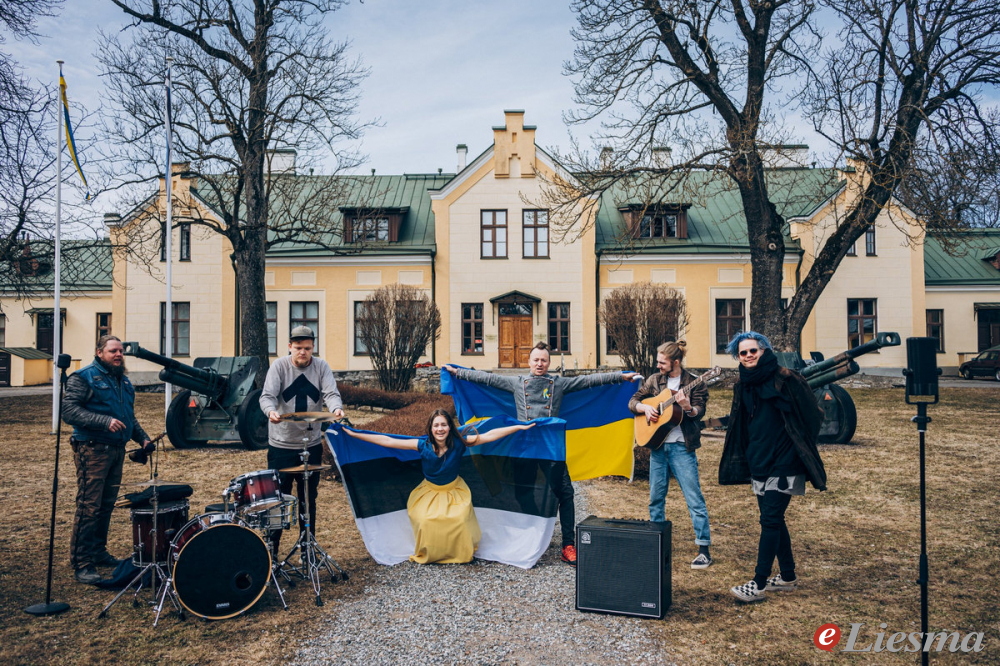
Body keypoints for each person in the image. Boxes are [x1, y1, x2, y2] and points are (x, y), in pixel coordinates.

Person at [445, 342, 640, 565]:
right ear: (529, 362)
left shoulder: (559, 383)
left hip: (551, 448)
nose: (540, 364)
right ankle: (525, 539)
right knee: (523, 493)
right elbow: (487, 378)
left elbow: (589, 381)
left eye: (544, 360)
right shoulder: (517, 382)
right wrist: (457, 373)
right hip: (525, 448)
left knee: (565, 493)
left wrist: (620, 377)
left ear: (549, 362)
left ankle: (568, 545)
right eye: (536, 360)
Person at [342, 409, 534, 563]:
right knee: (426, 521)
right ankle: (432, 553)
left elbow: (489, 435)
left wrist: (518, 427)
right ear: (431, 428)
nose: (440, 429)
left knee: (460, 519)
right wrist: (355, 435)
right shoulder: (422, 444)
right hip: (429, 491)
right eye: (436, 425)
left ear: (450, 427)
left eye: (444, 424)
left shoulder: (460, 443)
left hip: (454, 491)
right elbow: (388, 441)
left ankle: (459, 554)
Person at [719, 331, 826, 603]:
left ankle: (758, 584)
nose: (748, 356)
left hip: (785, 460)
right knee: (773, 519)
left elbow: (814, 415)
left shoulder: (787, 378)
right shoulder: (743, 385)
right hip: (759, 459)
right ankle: (787, 576)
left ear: (764, 350)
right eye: (743, 353)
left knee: (769, 519)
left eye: (753, 350)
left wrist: (798, 445)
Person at [63, 335, 151, 585]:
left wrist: (143, 439)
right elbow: (69, 411)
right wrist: (103, 421)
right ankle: (82, 562)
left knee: (106, 504)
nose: (118, 354)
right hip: (92, 449)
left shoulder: (122, 380)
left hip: (116, 450)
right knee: (89, 505)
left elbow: (128, 416)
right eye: (113, 351)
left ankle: (98, 552)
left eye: (121, 351)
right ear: (99, 352)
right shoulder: (84, 377)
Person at [259, 326, 344, 555]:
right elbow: (267, 396)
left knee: (308, 498)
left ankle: (308, 549)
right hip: (282, 445)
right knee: (278, 500)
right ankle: (272, 552)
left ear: (313, 347)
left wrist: (336, 408)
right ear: (290, 347)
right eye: (298, 348)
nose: (302, 352)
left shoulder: (321, 367)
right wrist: (270, 411)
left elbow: (330, 393)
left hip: (310, 444)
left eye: (307, 348)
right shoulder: (279, 367)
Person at [628, 340, 713, 569]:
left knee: (693, 498)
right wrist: (645, 408)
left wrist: (687, 407)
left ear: (675, 362)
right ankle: (656, 542)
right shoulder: (655, 380)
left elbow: (698, 412)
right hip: (658, 447)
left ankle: (703, 549)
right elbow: (633, 402)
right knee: (656, 497)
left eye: (662, 362)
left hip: (681, 448)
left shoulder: (695, 383)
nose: (658, 366)